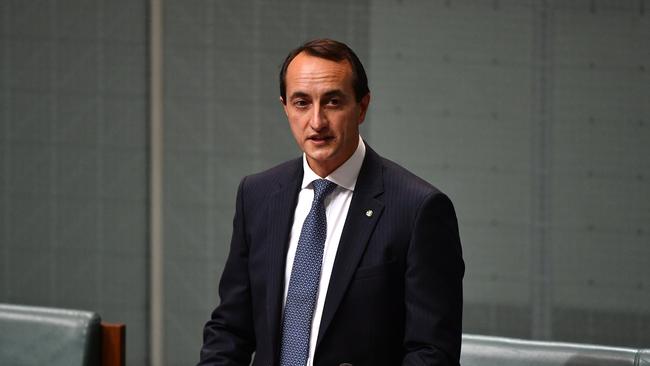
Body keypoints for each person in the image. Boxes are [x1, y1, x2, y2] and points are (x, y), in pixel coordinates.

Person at [198, 39, 464, 366]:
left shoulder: (418, 209)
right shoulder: (258, 195)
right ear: (285, 107)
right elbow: (230, 330)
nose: (317, 122)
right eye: (301, 102)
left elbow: (432, 354)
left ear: (362, 106)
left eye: (333, 102)